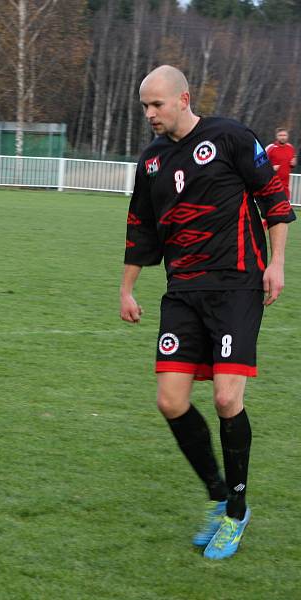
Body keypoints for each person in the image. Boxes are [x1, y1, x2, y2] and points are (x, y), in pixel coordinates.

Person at [120, 65, 295, 560]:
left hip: (237, 286)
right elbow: (141, 227)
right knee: (170, 401)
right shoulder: (151, 160)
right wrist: (127, 289)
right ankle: (219, 497)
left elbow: (274, 201)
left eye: (156, 104)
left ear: (183, 98)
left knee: (224, 398)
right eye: (145, 107)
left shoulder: (230, 136)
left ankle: (237, 513)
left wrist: (276, 264)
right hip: (182, 292)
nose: (150, 114)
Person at [265, 128, 295, 198]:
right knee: (272, 207)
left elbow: (292, 163)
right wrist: (271, 168)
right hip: (272, 184)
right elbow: (260, 163)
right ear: (276, 136)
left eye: (284, 135)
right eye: (280, 135)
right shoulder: (271, 147)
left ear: (287, 136)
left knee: (284, 206)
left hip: (285, 185)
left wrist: (293, 164)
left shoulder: (290, 148)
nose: (282, 137)